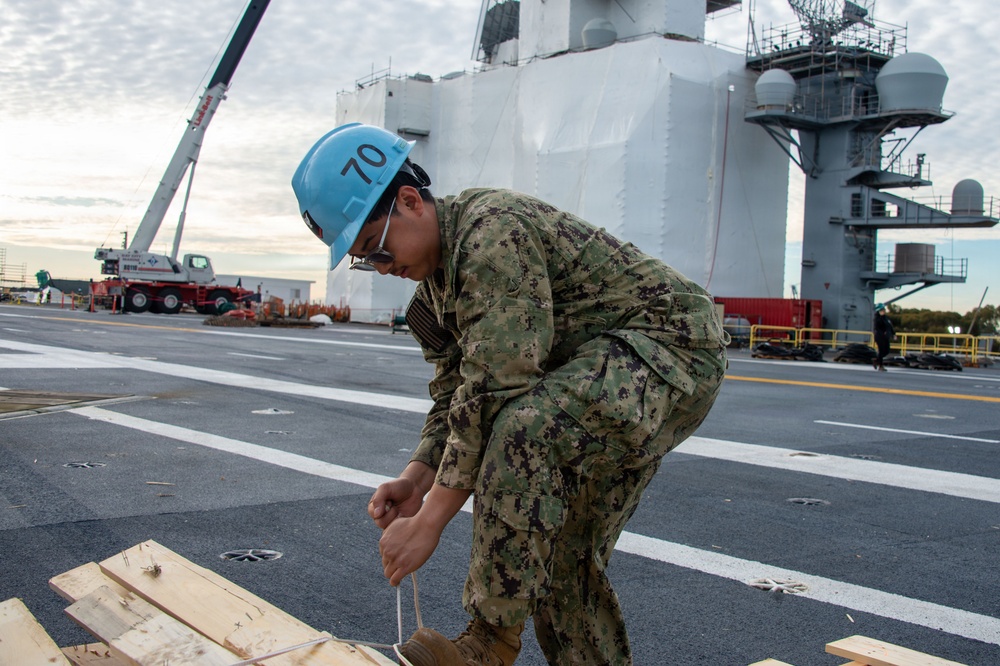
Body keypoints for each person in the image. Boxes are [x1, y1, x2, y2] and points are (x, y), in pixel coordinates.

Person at [292, 123, 729, 666]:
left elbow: (497, 390)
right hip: (600, 374)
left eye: (377, 249)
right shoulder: (430, 301)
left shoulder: (490, 232)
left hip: (672, 348)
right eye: (366, 260)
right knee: (556, 556)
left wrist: (430, 522)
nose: (382, 268)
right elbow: (456, 396)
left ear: (410, 201)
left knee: (526, 429)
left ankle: (489, 644)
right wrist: (415, 477)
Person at [873, 303, 895, 371]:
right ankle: (881, 366)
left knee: (887, 351)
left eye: (883, 309)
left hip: (886, 337)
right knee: (881, 350)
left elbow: (890, 326)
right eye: (882, 310)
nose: (883, 311)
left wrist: (893, 334)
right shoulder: (877, 318)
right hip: (880, 336)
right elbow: (877, 327)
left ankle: (876, 360)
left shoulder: (886, 318)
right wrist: (883, 332)